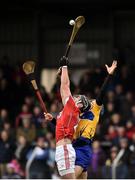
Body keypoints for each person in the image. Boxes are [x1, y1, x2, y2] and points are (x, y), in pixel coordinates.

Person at [45, 56, 90, 179]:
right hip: (66, 148)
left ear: (80, 104)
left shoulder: (73, 108)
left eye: (78, 97)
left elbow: (65, 87)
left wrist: (64, 67)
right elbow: (63, 89)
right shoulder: (72, 112)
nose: (74, 97)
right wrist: (54, 120)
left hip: (64, 149)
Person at [73, 60, 117, 178]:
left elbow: (101, 93)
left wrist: (109, 75)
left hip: (82, 147)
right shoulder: (77, 114)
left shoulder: (94, 109)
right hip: (74, 147)